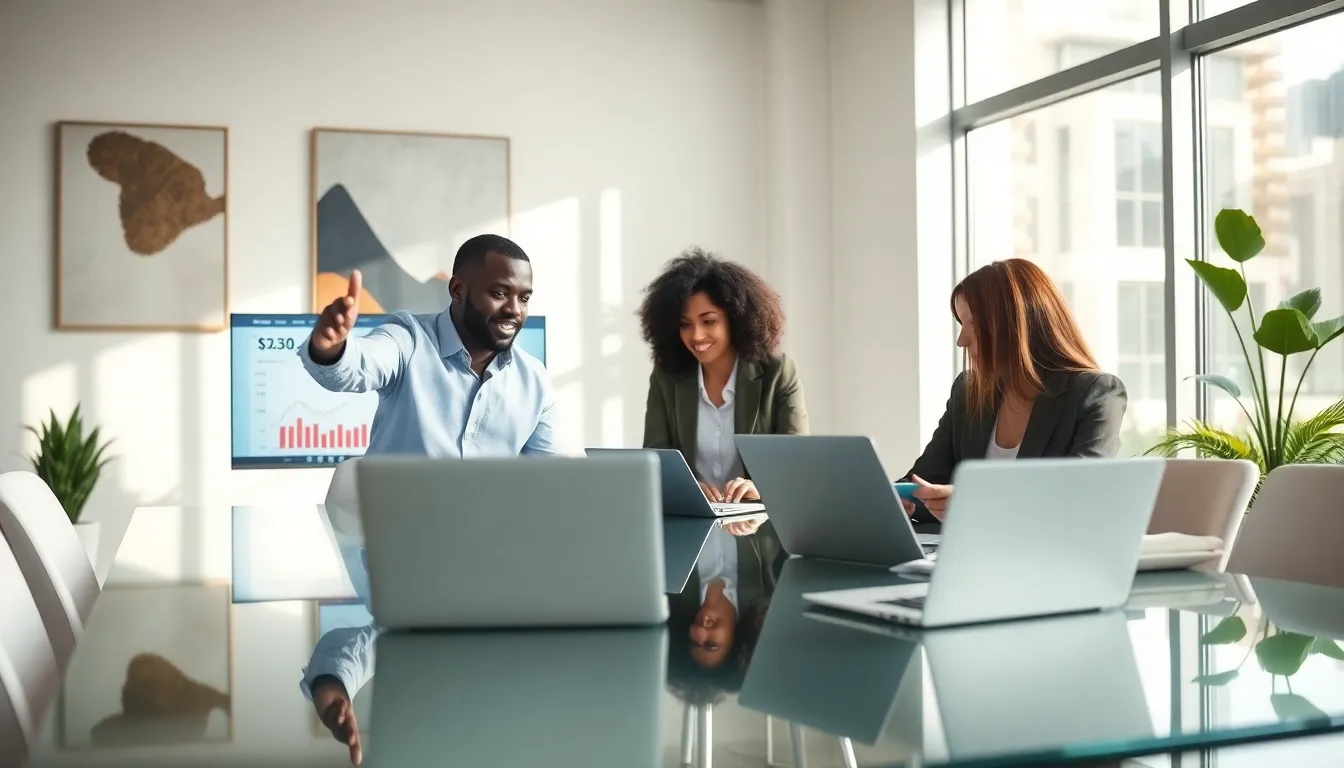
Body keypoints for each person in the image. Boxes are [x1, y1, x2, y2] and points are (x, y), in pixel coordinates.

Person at [300, 234, 568, 457]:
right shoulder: (408, 340)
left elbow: (554, 480)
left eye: (524, 298)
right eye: (499, 293)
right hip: (398, 508)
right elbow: (360, 365)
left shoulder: (534, 379)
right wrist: (332, 348)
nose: (514, 309)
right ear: (457, 290)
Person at [904, 258, 1127, 521]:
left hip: (1047, 546)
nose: (961, 340)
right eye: (961, 324)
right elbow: (926, 482)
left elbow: (1079, 496)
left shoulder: (1096, 393)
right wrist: (898, 501)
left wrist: (975, 501)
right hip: (963, 544)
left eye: (973, 323)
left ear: (1017, 324)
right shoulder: (968, 391)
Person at [639, 248, 809, 535]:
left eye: (709, 321)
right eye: (685, 324)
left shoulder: (778, 371)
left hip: (761, 535)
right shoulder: (666, 377)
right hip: (689, 533)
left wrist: (759, 487)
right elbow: (655, 463)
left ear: (736, 318)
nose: (696, 335)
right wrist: (689, 489)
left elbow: (798, 464)